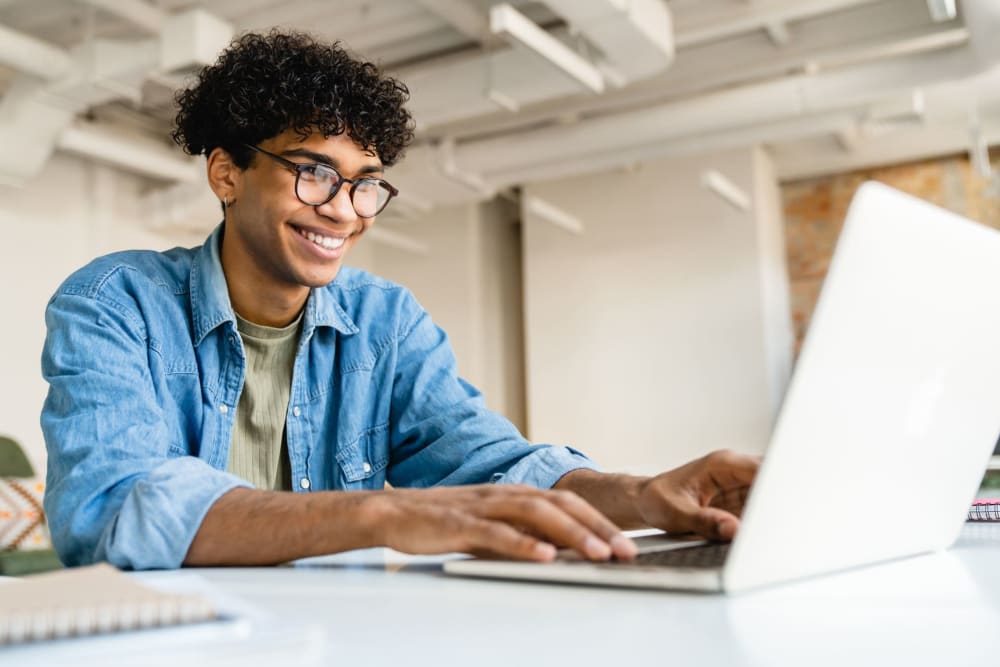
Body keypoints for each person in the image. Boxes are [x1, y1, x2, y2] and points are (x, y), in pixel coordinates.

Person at [41, 31, 759, 570]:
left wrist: (644, 494)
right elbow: (114, 509)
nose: (344, 210)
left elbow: (490, 464)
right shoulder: (115, 303)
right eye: (314, 172)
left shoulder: (385, 321)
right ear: (226, 173)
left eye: (364, 183)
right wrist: (385, 511)